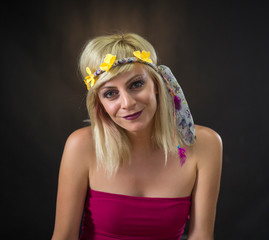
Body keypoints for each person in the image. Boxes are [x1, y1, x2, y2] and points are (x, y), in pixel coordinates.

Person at [51, 33, 222, 240]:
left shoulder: (203, 144)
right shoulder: (82, 146)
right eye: (110, 93)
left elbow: (201, 236)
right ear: (99, 103)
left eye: (136, 84)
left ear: (157, 85)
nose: (127, 103)